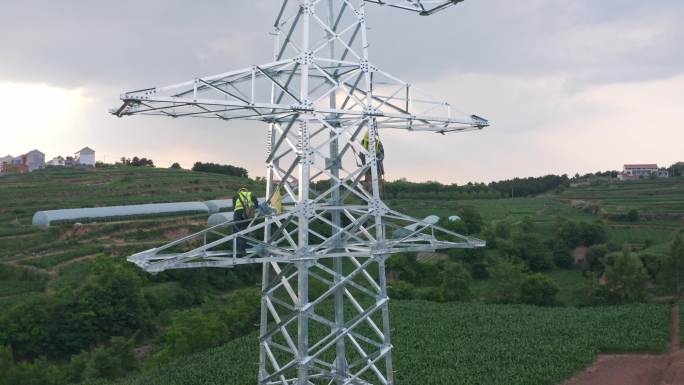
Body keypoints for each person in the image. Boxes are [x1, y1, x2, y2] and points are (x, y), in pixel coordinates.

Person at [233, 187, 259, 254]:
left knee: (236, 230)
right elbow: (256, 205)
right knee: (245, 230)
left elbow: (233, 206)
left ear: (240, 191)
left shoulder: (236, 195)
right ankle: (243, 248)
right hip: (246, 214)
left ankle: (236, 248)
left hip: (237, 213)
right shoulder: (250, 194)